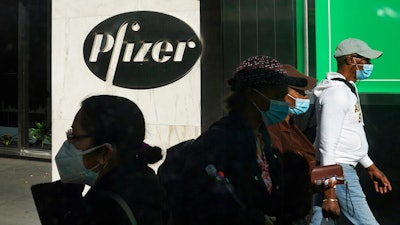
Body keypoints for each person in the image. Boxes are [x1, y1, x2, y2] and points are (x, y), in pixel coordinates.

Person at [172, 55, 305, 225]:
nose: (283, 101)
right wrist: (252, 219)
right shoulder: (220, 139)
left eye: (283, 94)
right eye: (276, 93)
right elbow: (199, 199)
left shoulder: (264, 140)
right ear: (251, 94)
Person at [31, 95, 167, 225]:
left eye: (75, 136)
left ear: (105, 153)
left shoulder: (106, 210)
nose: (69, 143)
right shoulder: (145, 188)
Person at [311, 38, 392, 225]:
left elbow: (348, 135)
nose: (369, 66)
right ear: (350, 60)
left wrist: (369, 166)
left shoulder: (346, 90)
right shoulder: (337, 93)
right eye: (366, 60)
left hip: (336, 168)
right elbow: (327, 145)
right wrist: (330, 195)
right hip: (339, 171)